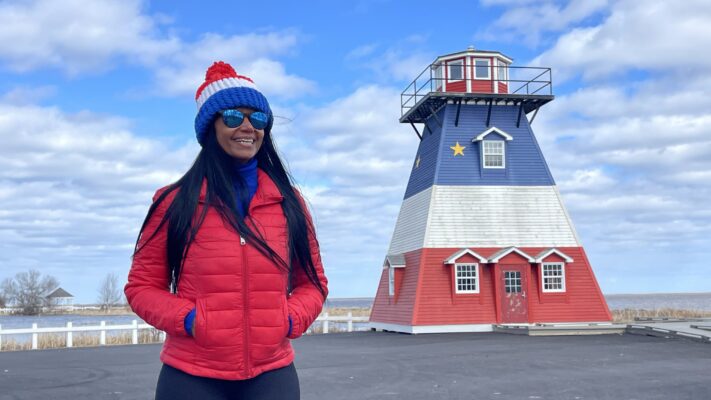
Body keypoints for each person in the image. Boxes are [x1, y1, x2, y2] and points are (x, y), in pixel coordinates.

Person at [124, 61, 328, 400]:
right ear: (210, 127)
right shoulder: (174, 202)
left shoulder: (289, 204)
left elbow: (314, 284)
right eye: (233, 116)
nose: (247, 126)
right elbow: (142, 287)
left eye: (258, 118)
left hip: (271, 372)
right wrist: (190, 319)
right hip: (191, 374)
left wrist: (289, 319)